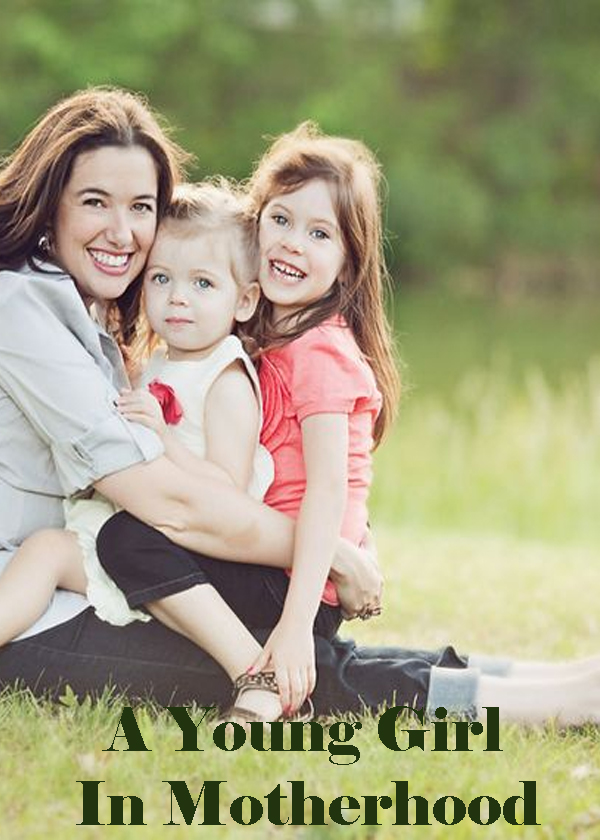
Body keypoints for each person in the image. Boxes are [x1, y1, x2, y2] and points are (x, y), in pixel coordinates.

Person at [0, 88, 598, 727]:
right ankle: (554, 699)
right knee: (290, 664)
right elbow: (166, 502)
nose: (123, 232)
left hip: (91, 581)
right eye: (95, 202)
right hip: (37, 611)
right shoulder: (22, 309)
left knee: (291, 655)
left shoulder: (86, 309)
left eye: (141, 207)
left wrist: (325, 549)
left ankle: (554, 687)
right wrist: (330, 552)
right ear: (50, 203)